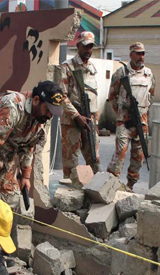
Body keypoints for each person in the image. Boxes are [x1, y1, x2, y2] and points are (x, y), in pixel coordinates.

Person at [0, 81, 63, 206]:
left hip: (6, 150)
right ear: (36, 100)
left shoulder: (41, 117)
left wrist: (26, 177)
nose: (50, 115)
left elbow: (29, 147)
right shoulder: (13, 107)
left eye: (53, 112)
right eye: (48, 109)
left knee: (12, 198)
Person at [106, 42, 155, 191]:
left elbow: (151, 95)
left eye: (143, 53)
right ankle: (111, 183)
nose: (141, 56)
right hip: (124, 122)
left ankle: (130, 186)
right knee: (120, 153)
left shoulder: (149, 74)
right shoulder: (121, 73)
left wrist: (142, 111)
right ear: (131, 54)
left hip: (142, 122)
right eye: (138, 53)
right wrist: (122, 113)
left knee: (138, 157)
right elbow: (112, 96)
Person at [59, 31, 101, 187]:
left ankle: (96, 194)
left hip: (90, 121)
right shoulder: (67, 67)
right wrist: (76, 116)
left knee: (95, 161)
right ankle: (68, 199)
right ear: (77, 46)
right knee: (71, 165)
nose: (88, 51)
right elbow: (61, 95)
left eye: (90, 47)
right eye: (85, 47)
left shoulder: (92, 68)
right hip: (72, 122)